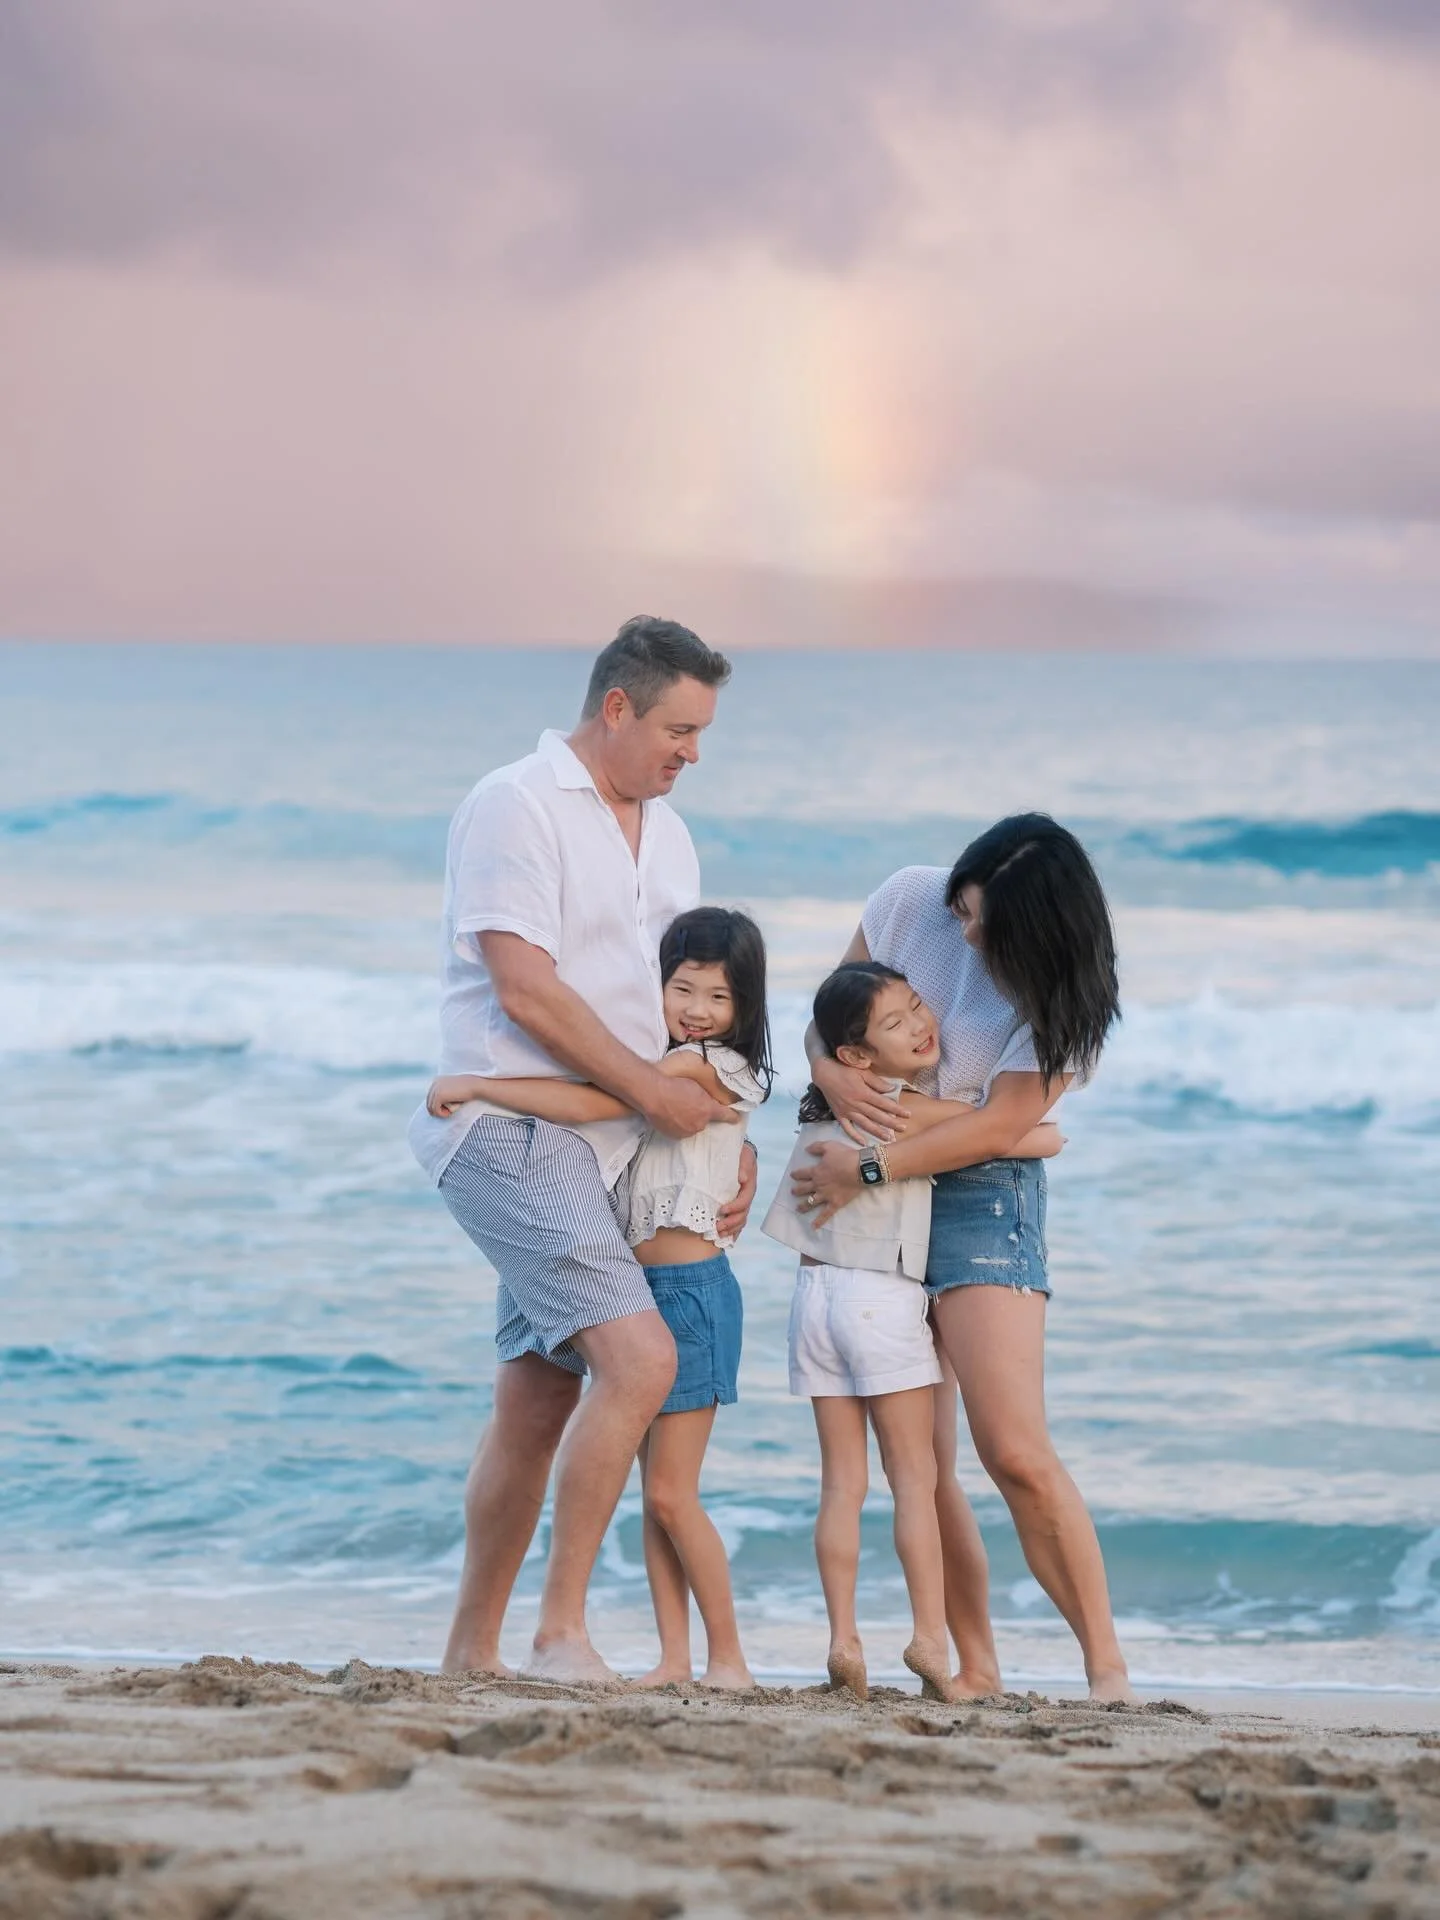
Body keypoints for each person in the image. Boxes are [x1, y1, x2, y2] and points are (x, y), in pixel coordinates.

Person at [408, 616, 757, 1683]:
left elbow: (694, 1016)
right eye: (678, 729)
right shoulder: (515, 804)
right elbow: (526, 988)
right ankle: (561, 1631)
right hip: (509, 1131)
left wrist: (726, 1145)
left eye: (701, 733)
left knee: (537, 1396)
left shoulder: (672, 835)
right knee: (642, 1360)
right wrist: (650, 1089)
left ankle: (471, 1654)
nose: (691, 752)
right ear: (616, 708)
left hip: (609, 1150)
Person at [791, 816, 1134, 1703]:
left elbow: (997, 1129)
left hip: (983, 1199)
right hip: (883, 1205)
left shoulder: (1062, 1000)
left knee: (1014, 1449)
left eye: (984, 922)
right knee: (925, 1465)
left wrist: (871, 1158)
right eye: (964, 905)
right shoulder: (912, 898)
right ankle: (975, 1666)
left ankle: (1107, 1669)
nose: (963, 930)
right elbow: (830, 1021)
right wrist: (831, 1076)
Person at [428, 906, 772, 1689]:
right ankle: (679, 1660)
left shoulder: (697, 1065)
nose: (695, 1011)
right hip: (647, 1278)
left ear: (744, 1011)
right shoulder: (670, 1059)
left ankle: (727, 1660)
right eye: (681, 990)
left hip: (689, 1292)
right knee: (658, 1497)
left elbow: (596, 1104)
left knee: (674, 1495)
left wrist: (483, 1084)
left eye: (718, 1000)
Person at [763, 962, 1060, 1703]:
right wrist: (1007, 1126)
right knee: (916, 1479)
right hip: (880, 1301)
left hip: (812, 1300)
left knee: (841, 1483)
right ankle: (930, 1637)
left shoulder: (820, 1103)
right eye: (897, 1024)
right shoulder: (894, 1106)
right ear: (857, 1059)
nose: (923, 1024)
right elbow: (1035, 1138)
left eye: (918, 1005)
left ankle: (843, 1640)